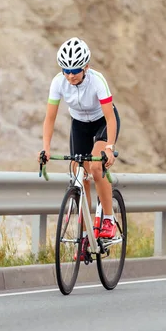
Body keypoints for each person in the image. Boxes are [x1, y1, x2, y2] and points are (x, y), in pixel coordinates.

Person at [38, 37, 121, 260]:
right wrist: (45, 148)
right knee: (77, 173)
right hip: (80, 126)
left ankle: (108, 220)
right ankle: (85, 237)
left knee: (95, 167)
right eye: (65, 69)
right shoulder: (58, 82)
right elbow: (49, 119)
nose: (70, 75)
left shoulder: (97, 81)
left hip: (102, 123)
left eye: (75, 69)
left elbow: (111, 118)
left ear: (86, 66)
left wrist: (110, 147)